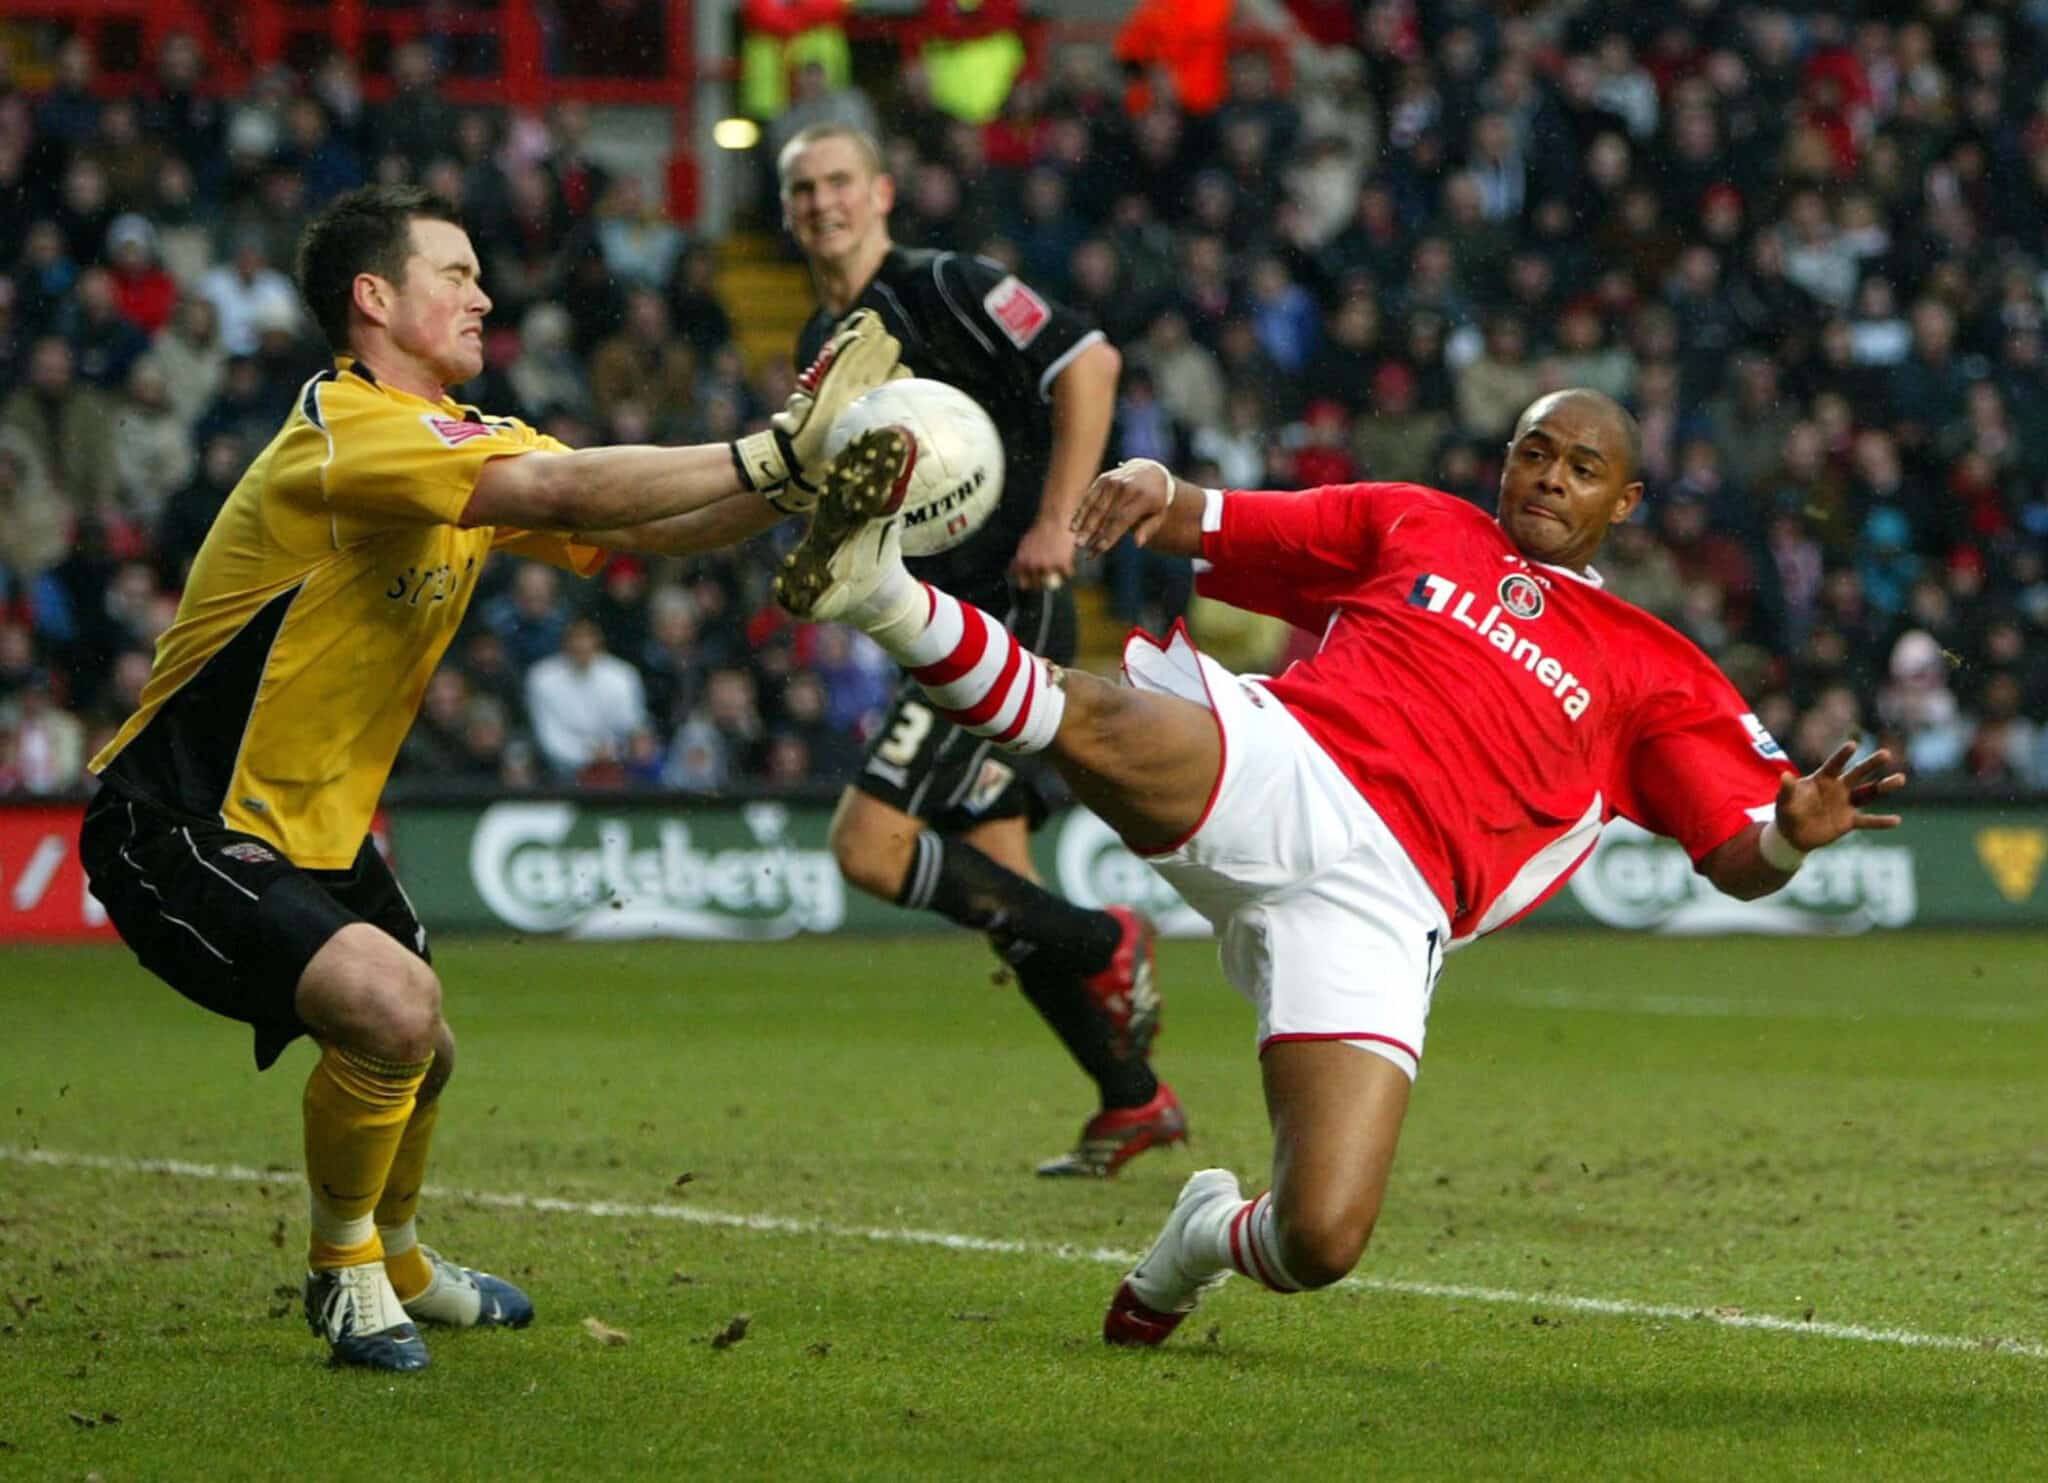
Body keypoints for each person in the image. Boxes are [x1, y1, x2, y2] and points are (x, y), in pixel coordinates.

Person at [769, 387, 1908, 1345]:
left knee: (1319, 1236)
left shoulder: (1653, 667)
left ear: (1626, 501)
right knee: (1097, 719)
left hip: (1390, 906)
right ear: (1505, 460)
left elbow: (1732, 859)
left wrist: (1786, 835)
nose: (1549, 478)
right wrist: (1154, 485)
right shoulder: (1416, 520)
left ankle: (1197, 1238)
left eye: (1582, 468)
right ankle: (879, 588)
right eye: (1534, 452)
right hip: (1294, 766)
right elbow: (1214, 521)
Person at [78, 184, 904, 1373]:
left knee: (428, 1047)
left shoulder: (461, 440)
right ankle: (342, 1272)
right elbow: (567, 491)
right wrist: (774, 447)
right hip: (178, 819)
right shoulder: (346, 428)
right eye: (455, 274)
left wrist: (793, 484)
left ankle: (401, 1255)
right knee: (394, 1011)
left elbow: (634, 518)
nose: (484, 294)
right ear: (374, 298)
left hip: (313, 831)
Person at [778, 123, 1183, 1177]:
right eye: (802, 189)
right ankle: (1132, 1099)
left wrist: (1057, 519)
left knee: (869, 847)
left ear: (880, 192)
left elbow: (1089, 362)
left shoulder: (944, 284)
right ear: (787, 212)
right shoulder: (821, 343)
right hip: (933, 620)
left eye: (838, 181)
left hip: (1008, 605)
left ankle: (1105, 941)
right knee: (1002, 885)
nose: (822, 202)